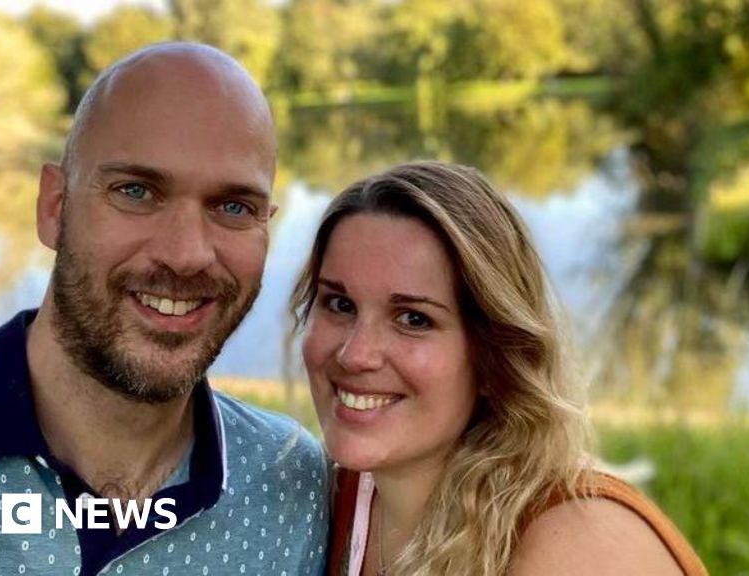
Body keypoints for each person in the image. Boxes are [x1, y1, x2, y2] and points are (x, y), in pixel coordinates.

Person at [0, 43, 328, 575]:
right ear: (55, 207)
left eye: (234, 207)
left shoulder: (291, 487)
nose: (186, 255)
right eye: (136, 191)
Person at [291, 161, 708, 575]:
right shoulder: (327, 499)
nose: (355, 354)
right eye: (340, 305)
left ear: (495, 354)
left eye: (414, 319)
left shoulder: (580, 546)